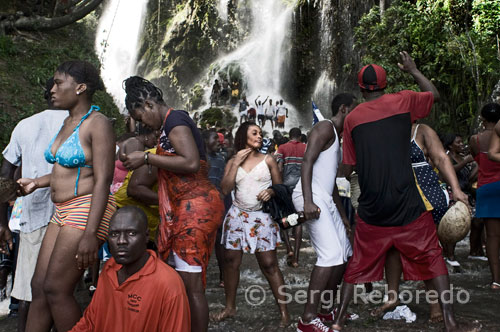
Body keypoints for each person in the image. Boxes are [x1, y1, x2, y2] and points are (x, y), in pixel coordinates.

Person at [332, 52, 477, 332]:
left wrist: (329, 183)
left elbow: (348, 166)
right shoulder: (403, 101)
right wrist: (413, 69)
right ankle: (450, 322)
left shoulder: (352, 118)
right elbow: (432, 94)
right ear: (385, 84)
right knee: (434, 256)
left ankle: (337, 322)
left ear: (361, 88)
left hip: (373, 206)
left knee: (356, 263)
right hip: (407, 202)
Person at [16, 61, 117, 332]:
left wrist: (90, 234)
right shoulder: (68, 121)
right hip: (62, 211)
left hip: (86, 209)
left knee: (56, 289)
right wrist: (36, 182)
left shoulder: (99, 124)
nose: (52, 89)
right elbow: (65, 171)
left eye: (59, 83)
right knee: (39, 287)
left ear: (81, 88)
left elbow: (103, 180)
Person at [122, 76, 224, 332]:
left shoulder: (175, 119)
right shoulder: (169, 126)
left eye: (141, 117)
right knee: (182, 283)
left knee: (191, 287)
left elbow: (190, 162)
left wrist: (147, 158)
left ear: (148, 104)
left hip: (196, 208)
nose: (144, 124)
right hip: (186, 208)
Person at [374, 122, 469, 321]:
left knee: (427, 251)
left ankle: (436, 306)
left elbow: (441, 159)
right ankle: (393, 297)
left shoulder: (421, 130)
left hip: (426, 198)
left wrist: (456, 190)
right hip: (398, 197)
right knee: (394, 248)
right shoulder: (386, 130)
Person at [0, 77, 68, 332]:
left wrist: (2, 222)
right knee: (62, 289)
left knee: (30, 290)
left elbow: (5, 177)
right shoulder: (84, 124)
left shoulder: (25, 126)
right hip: (72, 215)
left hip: (34, 218)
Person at [213, 122, 290, 327]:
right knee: (230, 262)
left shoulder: (269, 160)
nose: (259, 136)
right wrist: (236, 162)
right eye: (254, 133)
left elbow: (280, 187)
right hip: (237, 216)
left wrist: (271, 192)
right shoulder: (232, 160)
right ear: (243, 136)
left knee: (269, 264)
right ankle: (230, 307)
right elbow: (225, 189)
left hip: (261, 217)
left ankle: (284, 312)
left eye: (260, 133)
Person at [70, 206, 191, 332]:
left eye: (131, 233)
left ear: (146, 236)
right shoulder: (109, 270)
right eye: (114, 234)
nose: (121, 241)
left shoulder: (167, 284)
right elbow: (90, 322)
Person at [292, 93, 355, 332]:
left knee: (344, 253)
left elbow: (331, 182)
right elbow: (306, 162)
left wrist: (343, 216)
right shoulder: (325, 127)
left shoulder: (338, 136)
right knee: (329, 255)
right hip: (309, 196)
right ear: (343, 109)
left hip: (325, 197)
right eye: (354, 109)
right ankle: (307, 320)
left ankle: (325, 310)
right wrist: (308, 201)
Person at [470, 103, 500, 290]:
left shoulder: (476, 140)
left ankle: (496, 280)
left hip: (487, 187)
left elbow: (478, 160)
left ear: (482, 119)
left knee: (492, 236)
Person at [441, 133, 477, 267]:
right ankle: (449, 255)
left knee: (465, 223)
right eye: (458, 142)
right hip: (452, 194)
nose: (461, 145)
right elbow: (446, 172)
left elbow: (468, 178)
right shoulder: (446, 157)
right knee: (452, 224)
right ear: (450, 145)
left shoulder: (461, 157)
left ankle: (473, 251)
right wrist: (465, 162)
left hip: (465, 193)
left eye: (462, 142)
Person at [202, 129, 230, 287]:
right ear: (205, 141)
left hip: (218, 204)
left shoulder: (221, 159)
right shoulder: (199, 160)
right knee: (203, 241)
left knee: (220, 240)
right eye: (215, 138)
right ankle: (201, 274)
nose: (219, 141)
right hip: (201, 205)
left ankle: (222, 276)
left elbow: (223, 181)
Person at [275, 127, 306, 268]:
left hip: (286, 185)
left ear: (290, 136)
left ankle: (288, 248)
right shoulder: (305, 147)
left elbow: (280, 168)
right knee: (298, 219)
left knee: (283, 217)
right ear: (299, 137)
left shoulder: (282, 147)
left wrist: (279, 185)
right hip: (300, 186)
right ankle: (297, 258)